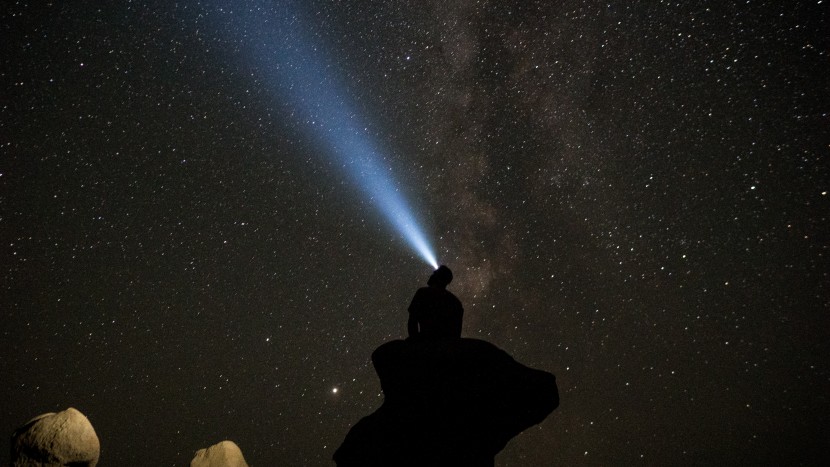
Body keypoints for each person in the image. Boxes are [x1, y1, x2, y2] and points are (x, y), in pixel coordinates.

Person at [407, 265, 464, 340]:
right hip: (446, 346)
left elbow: (412, 320)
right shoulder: (456, 302)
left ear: (439, 277)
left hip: (425, 342)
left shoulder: (422, 293)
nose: (432, 273)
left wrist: (415, 342)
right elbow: (456, 332)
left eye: (435, 273)